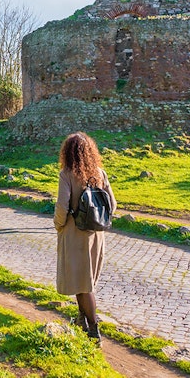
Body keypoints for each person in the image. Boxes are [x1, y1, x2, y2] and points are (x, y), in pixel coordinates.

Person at [53, 131, 116, 341]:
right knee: (85, 282)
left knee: (82, 283)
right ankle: (82, 320)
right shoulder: (100, 173)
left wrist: (59, 225)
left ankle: (94, 328)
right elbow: (112, 205)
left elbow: (62, 206)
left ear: (68, 152)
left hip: (75, 234)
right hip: (96, 234)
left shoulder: (67, 174)